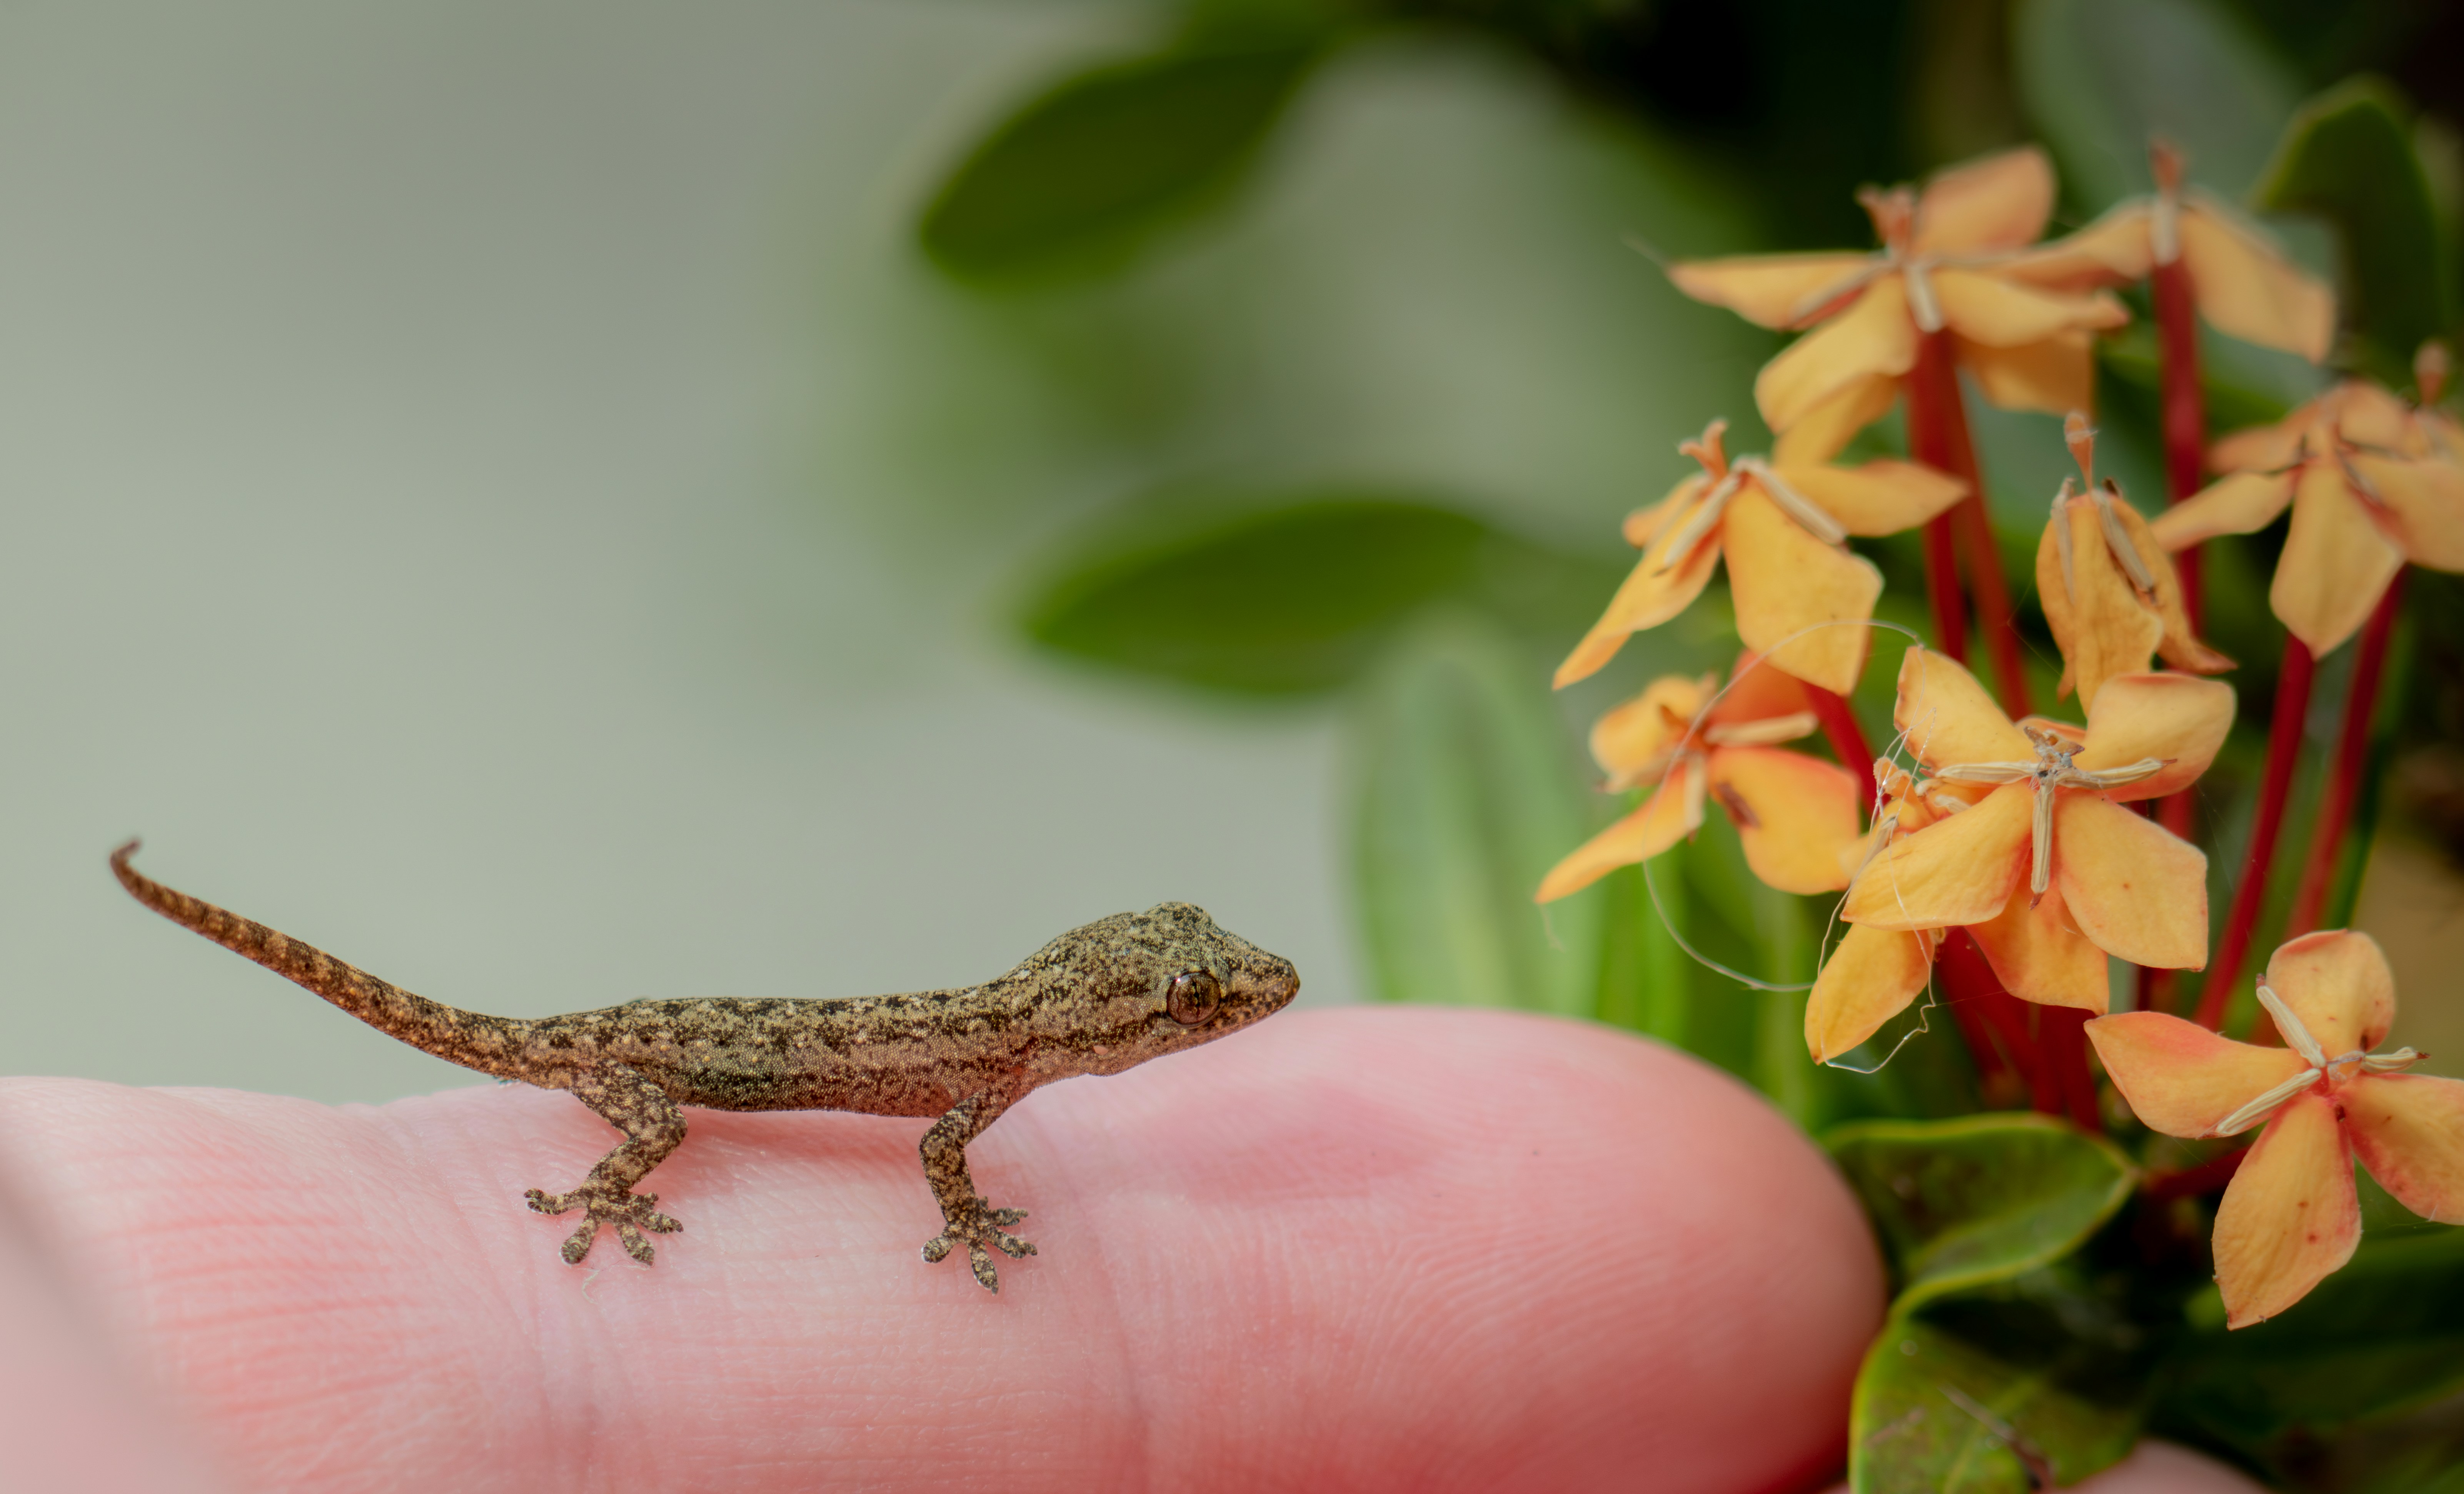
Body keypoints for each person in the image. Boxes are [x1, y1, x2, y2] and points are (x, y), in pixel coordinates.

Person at [0, 1007, 2259, 1491]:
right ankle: (602, 1182)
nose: (1221, 1019)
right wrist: (623, 1167)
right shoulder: (983, 1093)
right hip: (649, 1070)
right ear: (1114, 1021)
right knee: (635, 1149)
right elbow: (955, 1181)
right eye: (1193, 1010)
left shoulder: (1001, 1057)